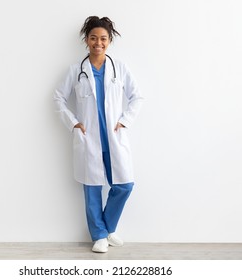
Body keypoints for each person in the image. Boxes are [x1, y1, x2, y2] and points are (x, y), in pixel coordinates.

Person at [54, 16, 143, 253]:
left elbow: (137, 97)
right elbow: (58, 98)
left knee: (124, 185)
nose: (98, 42)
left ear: (109, 40)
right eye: (93, 38)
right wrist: (73, 123)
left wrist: (125, 121)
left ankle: (108, 227)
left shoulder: (120, 68)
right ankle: (99, 235)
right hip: (89, 138)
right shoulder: (76, 71)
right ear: (86, 40)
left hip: (114, 137)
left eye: (103, 38)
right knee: (92, 188)